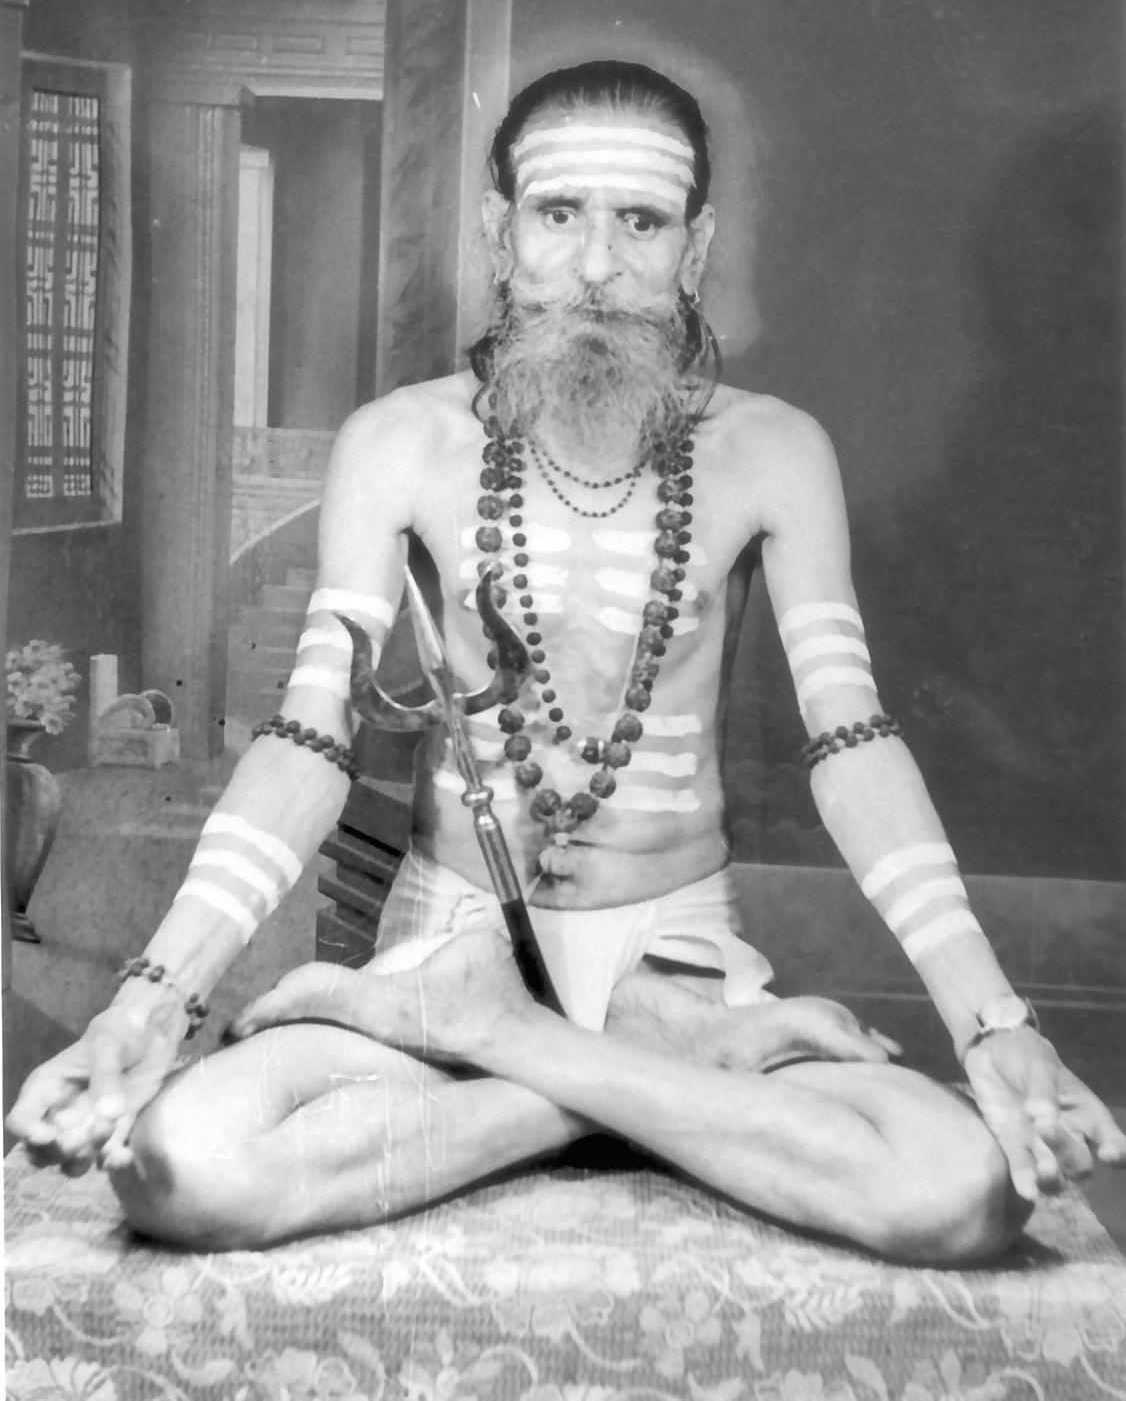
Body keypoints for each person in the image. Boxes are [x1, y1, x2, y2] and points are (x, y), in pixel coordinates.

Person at [9, 61, 1124, 1261]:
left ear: (695, 246)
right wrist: (150, 1003)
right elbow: (307, 735)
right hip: (448, 949)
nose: (597, 265)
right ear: (501, 234)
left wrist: (992, 1020)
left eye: (640, 222)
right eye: (558, 215)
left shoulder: (772, 450)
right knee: (185, 1169)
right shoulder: (403, 441)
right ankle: (615, 1074)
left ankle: (525, 1051)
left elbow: (851, 738)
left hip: (679, 961)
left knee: (960, 1191)